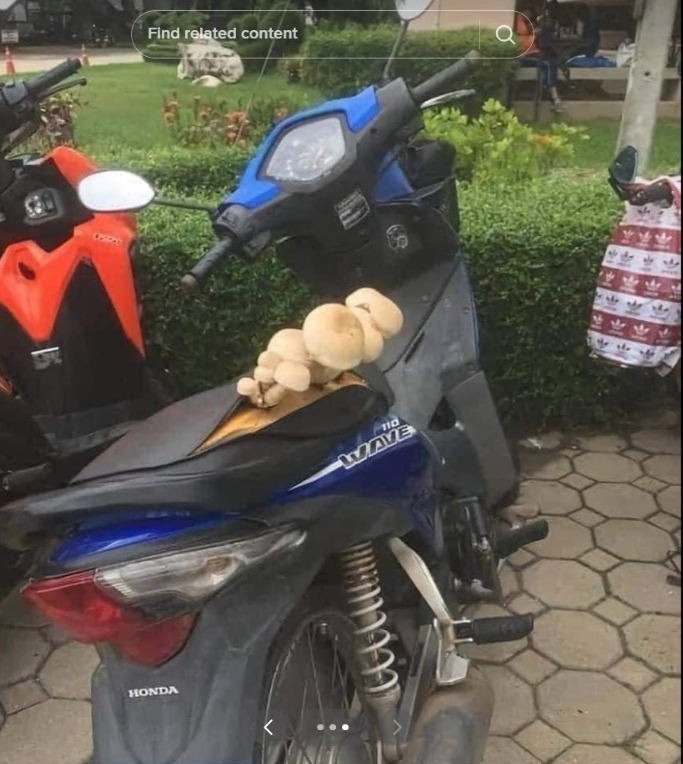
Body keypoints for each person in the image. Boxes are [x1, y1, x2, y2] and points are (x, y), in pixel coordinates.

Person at [515, 3, 564, 112]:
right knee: (548, 63)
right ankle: (554, 96)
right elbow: (521, 35)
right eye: (529, 11)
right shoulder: (517, 21)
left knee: (551, 62)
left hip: (534, 52)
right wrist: (535, 33)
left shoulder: (527, 21)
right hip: (526, 54)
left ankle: (552, 94)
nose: (530, 14)